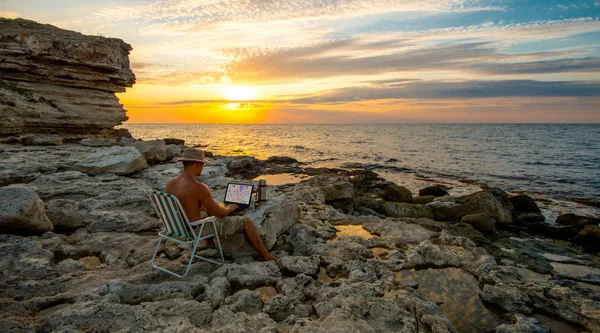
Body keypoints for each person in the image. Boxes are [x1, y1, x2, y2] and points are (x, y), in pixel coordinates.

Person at [166, 148, 276, 261]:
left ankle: (210, 243)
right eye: (202, 164)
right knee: (246, 221)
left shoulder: (171, 183)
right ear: (197, 164)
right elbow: (219, 213)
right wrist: (229, 207)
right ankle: (265, 255)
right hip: (195, 230)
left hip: (178, 228)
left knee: (209, 210)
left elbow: (185, 203)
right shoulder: (199, 187)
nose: (203, 167)